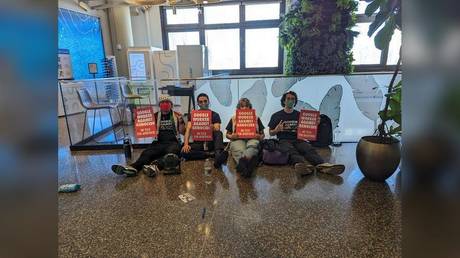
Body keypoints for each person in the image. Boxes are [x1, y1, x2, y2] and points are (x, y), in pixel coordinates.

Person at [268, 91, 345, 176]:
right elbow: (271, 133)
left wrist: (316, 123)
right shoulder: (276, 115)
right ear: (283, 101)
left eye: (293, 99)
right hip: (284, 139)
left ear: (295, 101)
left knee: (309, 149)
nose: (290, 101)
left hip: (298, 139)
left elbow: (308, 128)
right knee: (291, 152)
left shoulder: (300, 115)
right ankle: (303, 167)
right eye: (288, 98)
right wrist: (276, 130)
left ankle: (324, 166)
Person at [111, 95, 186, 177]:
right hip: (158, 142)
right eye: (162, 102)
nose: (165, 104)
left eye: (167, 102)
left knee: (170, 154)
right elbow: (145, 128)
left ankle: (155, 167)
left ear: (171, 104)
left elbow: (183, 132)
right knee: (146, 153)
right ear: (159, 105)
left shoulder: (177, 115)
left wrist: (181, 122)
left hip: (173, 142)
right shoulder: (155, 116)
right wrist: (139, 121)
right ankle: (133, 167)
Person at [181, 93, 228, 168]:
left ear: (208, 101)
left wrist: (207, 124)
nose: (203, 103)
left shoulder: (214, 114)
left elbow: (217, 128)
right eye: (201, 102)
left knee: (219, 133)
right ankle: (211, 155)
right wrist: (186, 144)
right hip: (199, 144)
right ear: (198, 104)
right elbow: (188, 129)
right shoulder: (193, 115)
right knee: (184, 152)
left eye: (205, 101)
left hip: (211, 143)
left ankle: (218, 154)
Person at [225, 98, 265, 178]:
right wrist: (231, 136)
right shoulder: (233, 118)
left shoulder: (256, 118)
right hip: (238, 139)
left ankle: (242, 165)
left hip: (252, 139)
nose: (244, 108)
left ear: (250, 107)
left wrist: (259, 136)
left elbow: (262, 134)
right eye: (242, 106)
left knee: (252, 147)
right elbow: (227, 134)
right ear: (238, 108)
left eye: (246, 106)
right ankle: (249, 165)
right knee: (238, 150)